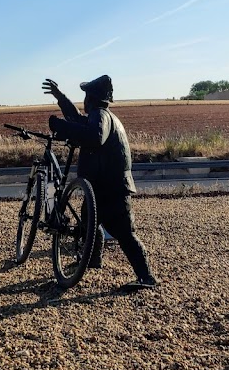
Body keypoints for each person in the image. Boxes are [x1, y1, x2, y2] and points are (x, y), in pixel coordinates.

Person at [43, 75, 158, 291]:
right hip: (101, 186)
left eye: (86, 96)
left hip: (111, 187)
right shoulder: (100, 116)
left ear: (92, 98)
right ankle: (92, 260)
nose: (84, 101)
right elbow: (78, 121)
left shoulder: (101, 116)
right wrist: (60, 98)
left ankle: (146, 277)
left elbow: (93, 137)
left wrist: (62, 127)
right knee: (90, 223)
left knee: (124, 232)